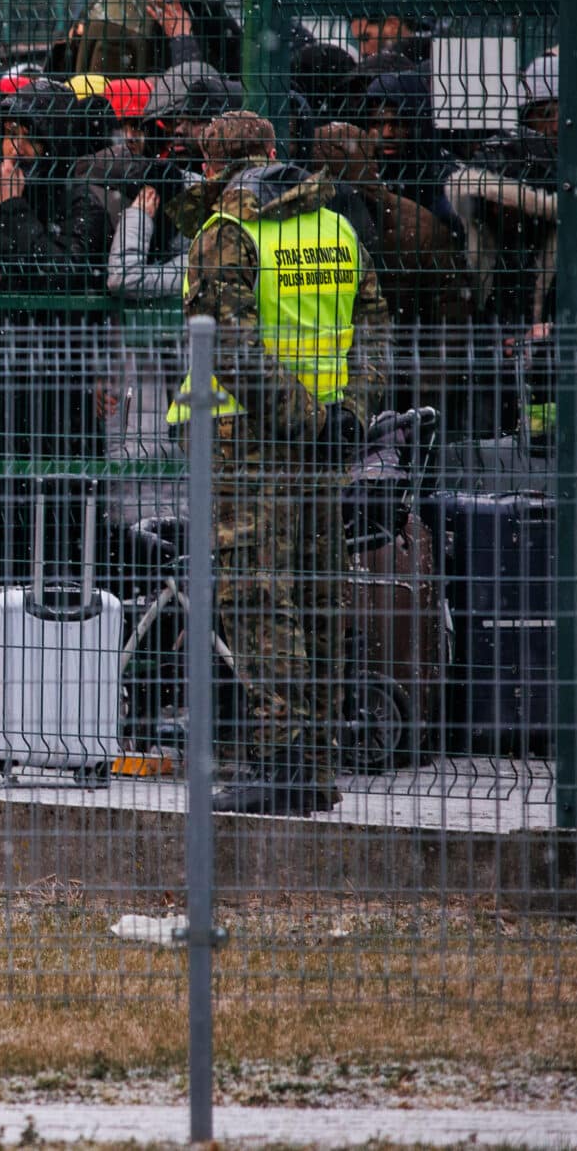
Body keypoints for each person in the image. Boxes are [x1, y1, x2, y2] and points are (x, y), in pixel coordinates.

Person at [168, 112, 390, 817]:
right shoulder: (336, 226)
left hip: (245, 437)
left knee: (258, 595)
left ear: (212, 168)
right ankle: (314, 764)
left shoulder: (225, 235)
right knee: (317, 591)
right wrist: (347, 414)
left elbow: (225, 349)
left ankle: (281, 757)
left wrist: (305, 417)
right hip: (326, 442)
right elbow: (376, 326)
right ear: (269, 153)